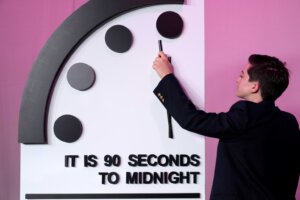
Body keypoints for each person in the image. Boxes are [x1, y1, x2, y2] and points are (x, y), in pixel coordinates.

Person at [152, 52, 300, 200]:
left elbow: (192, 120)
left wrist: (166, 76)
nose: (237, 80)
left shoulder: (246, 114)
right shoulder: (289, 122)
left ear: (254, 87)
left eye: (242, 76)